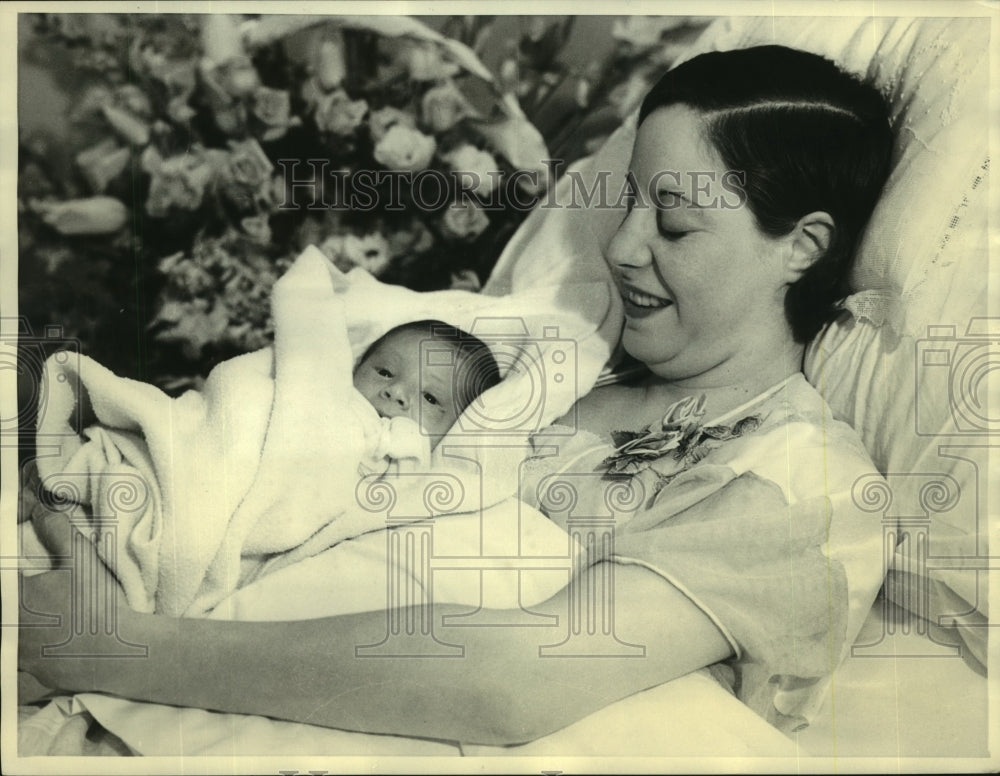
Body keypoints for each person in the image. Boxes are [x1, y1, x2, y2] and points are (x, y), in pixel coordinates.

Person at [18, 45, 894, 745]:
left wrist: (114, 649)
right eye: (626, 204)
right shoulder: (557, 351)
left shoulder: (800, 479)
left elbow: (515, 680)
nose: (624, 248)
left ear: (802, 246)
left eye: (672, 221)